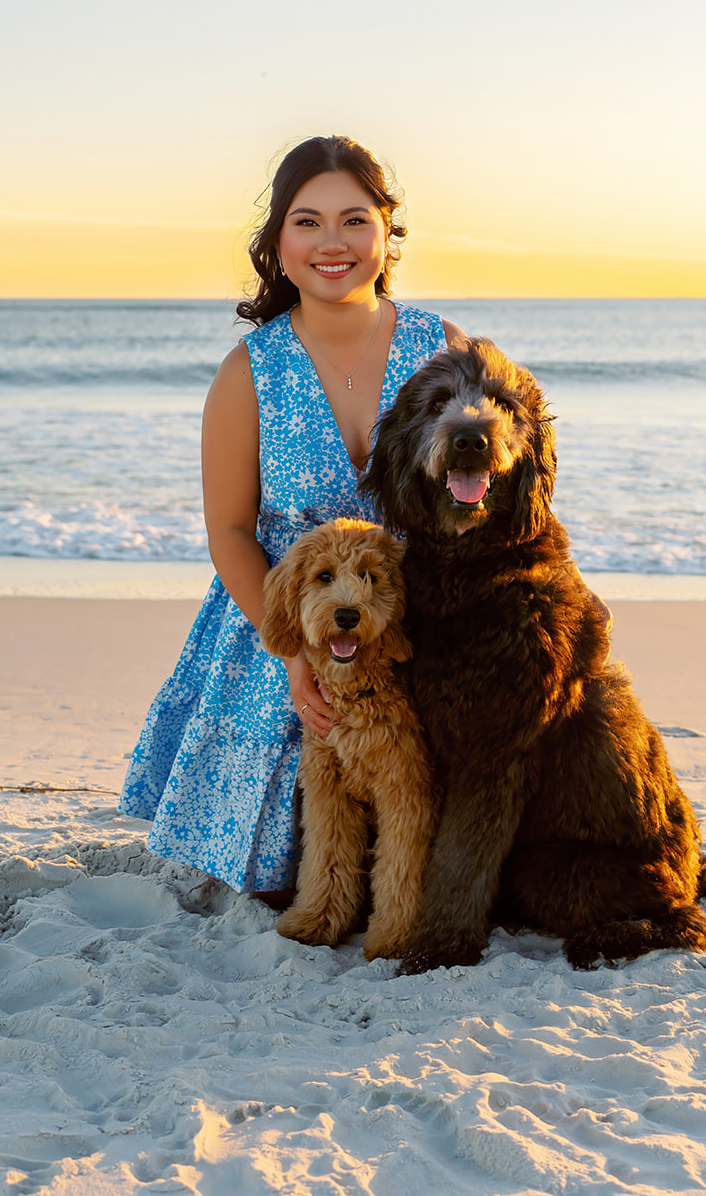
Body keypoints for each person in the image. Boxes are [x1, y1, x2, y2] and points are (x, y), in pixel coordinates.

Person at [119, 136, 464, 898]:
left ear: (385, 233)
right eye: (307, 222)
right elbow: (230, 532)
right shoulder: (251, 370)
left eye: (354, 220)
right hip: (288, 618)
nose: (332, 244)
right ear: (277, 242)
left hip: (416, 616)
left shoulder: (443, 349)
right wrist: (293, 653)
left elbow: (496, 494)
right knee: (277, 876)